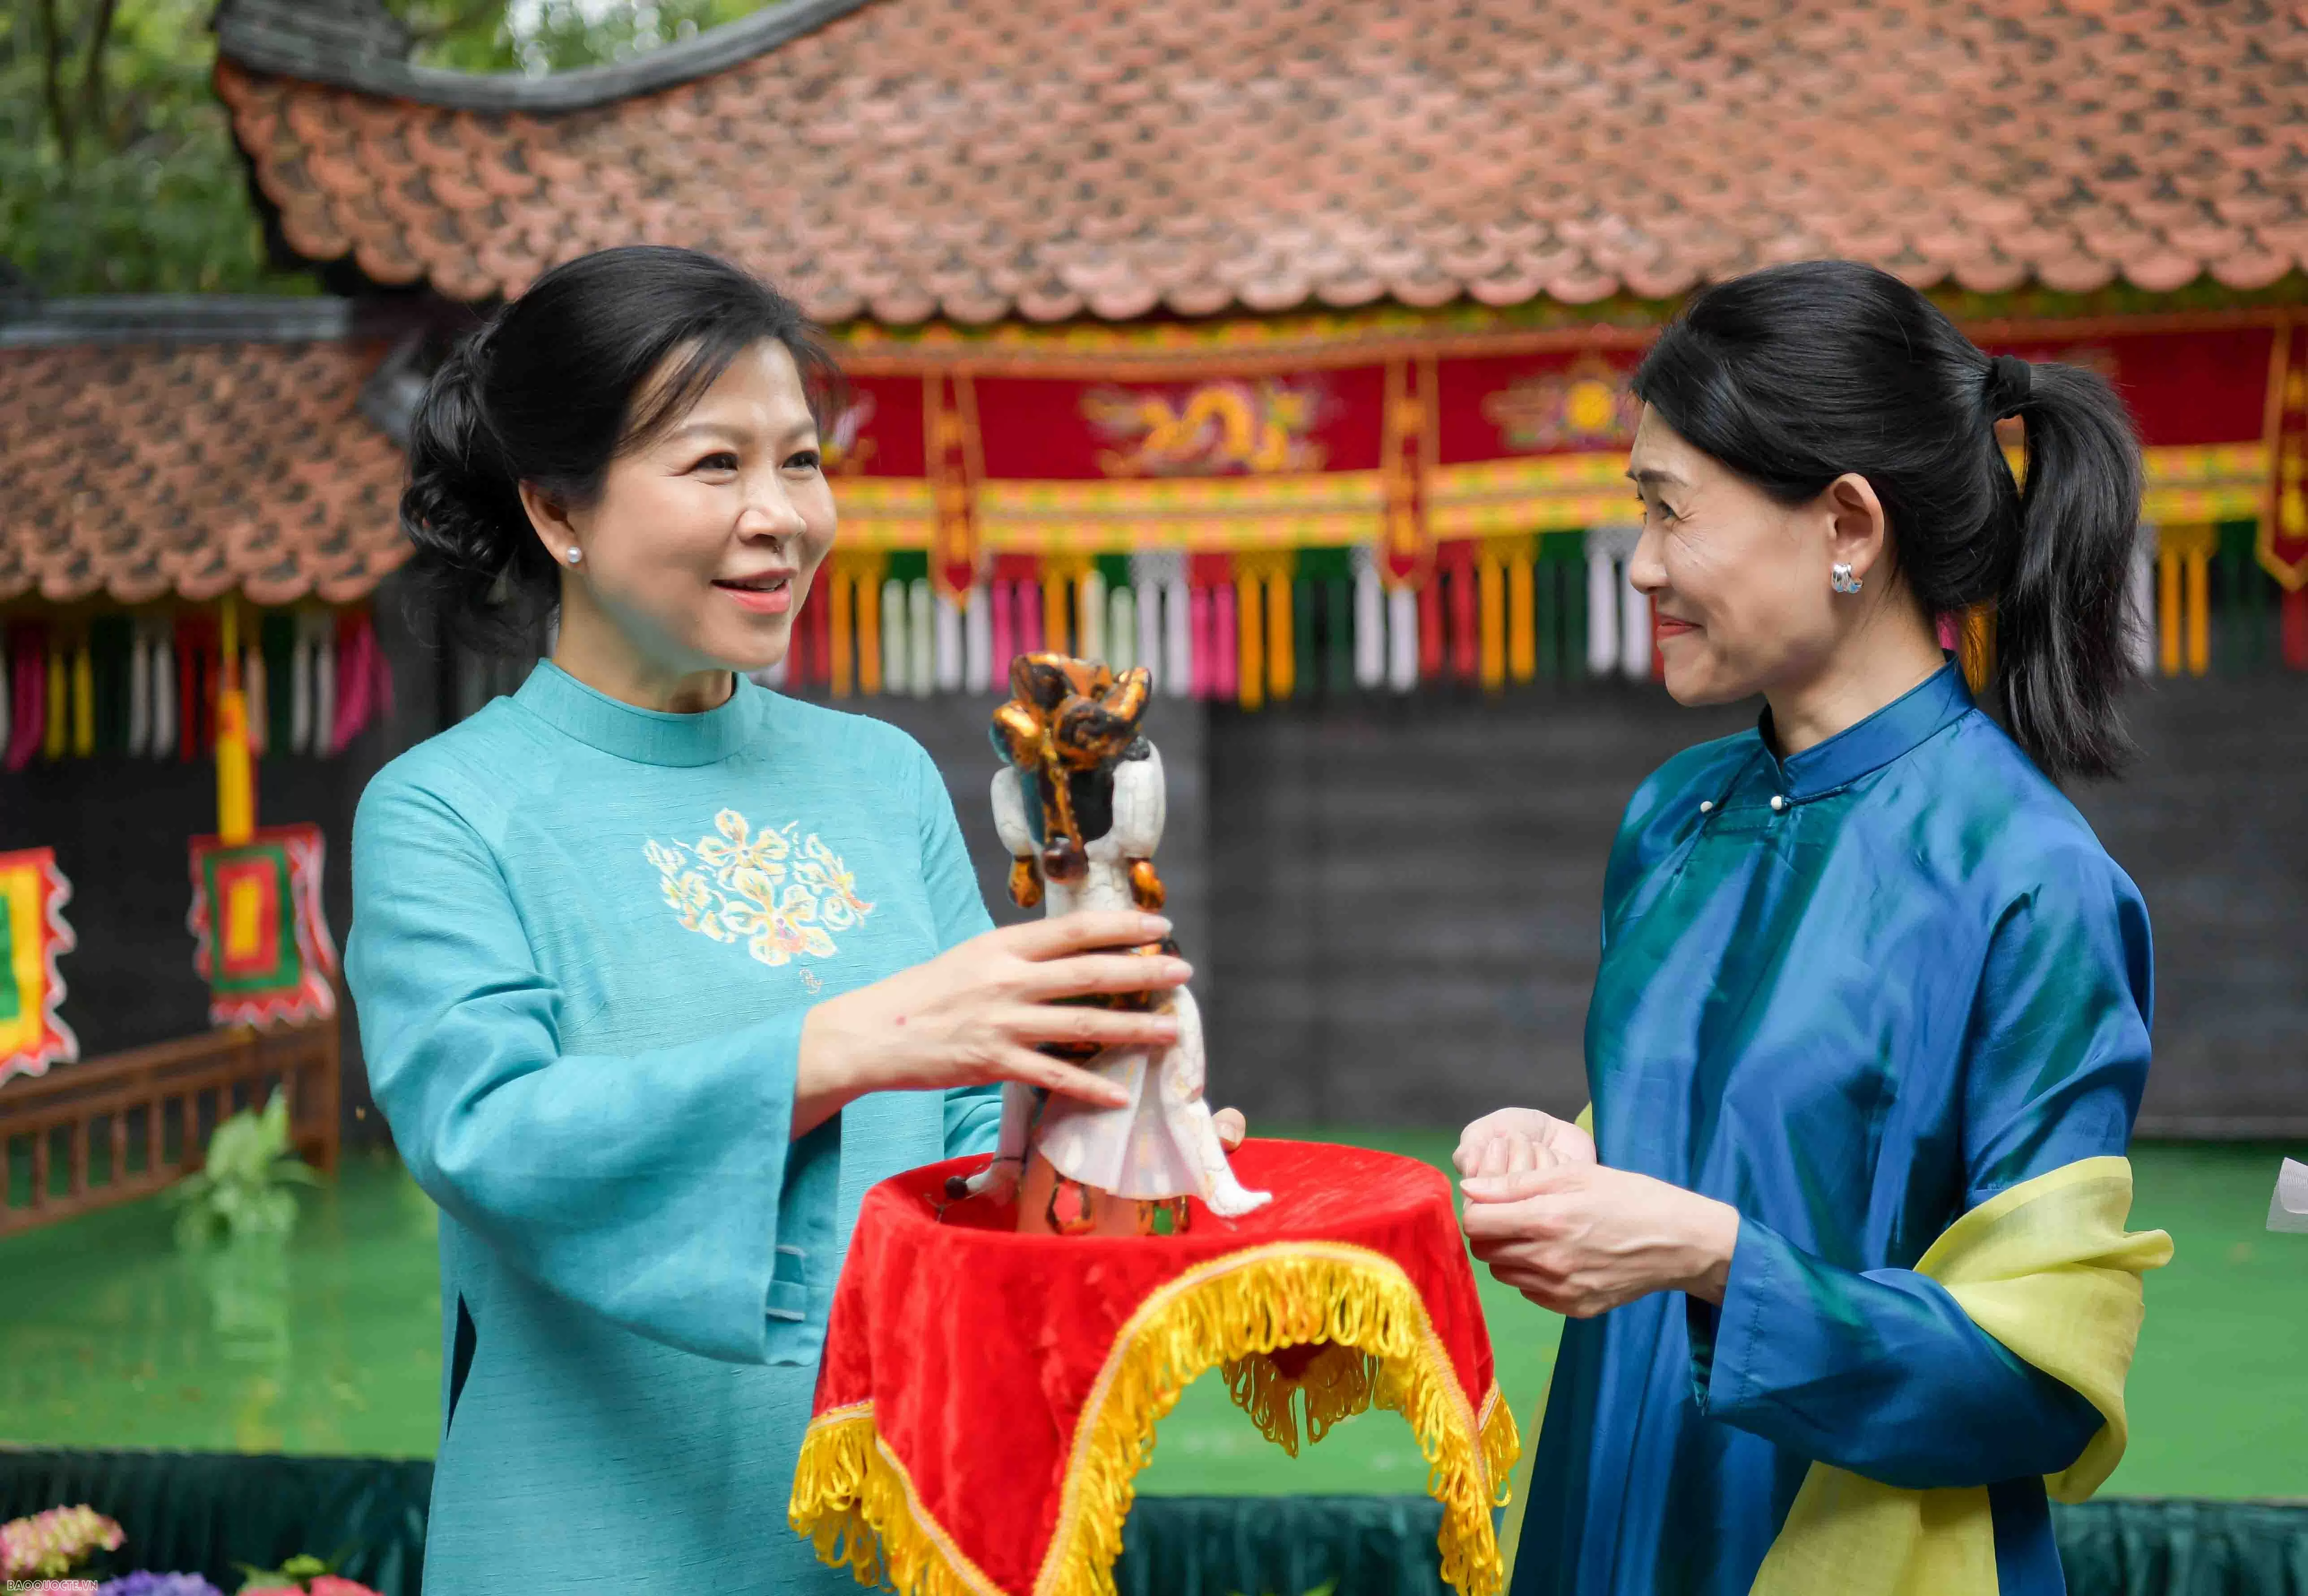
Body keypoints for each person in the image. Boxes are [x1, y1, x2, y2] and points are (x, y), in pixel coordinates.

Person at [346, 245, 1238, 1593]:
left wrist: (1101, 1155)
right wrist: (843, 1045)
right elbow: (486, 1134)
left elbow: (961, 1167)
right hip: (586, 1533)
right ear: (557, 511)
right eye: (714, 466)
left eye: (803, 461)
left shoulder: (877, 774)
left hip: (902, 1523)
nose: (779, 517)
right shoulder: (444, 810)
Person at [1454, 259, 2171, 1596]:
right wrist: (1571, 1148)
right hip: (1599, 1522)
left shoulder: (2028, 879)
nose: (1641, 566)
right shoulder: (1672, 818)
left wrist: (1712, 1261)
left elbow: (2036, 1383)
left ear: (1847, 524)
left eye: (1670, 512)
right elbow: (1711, 1141)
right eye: (1638, 510)